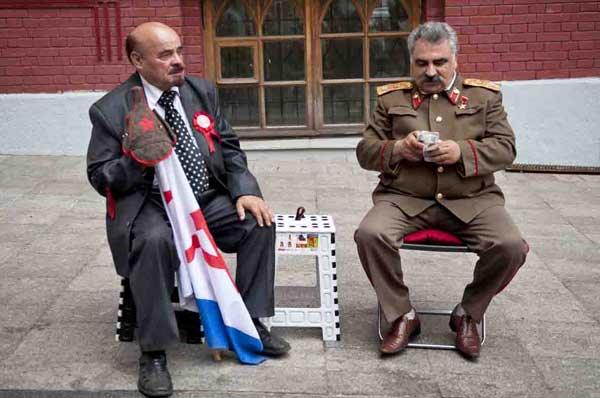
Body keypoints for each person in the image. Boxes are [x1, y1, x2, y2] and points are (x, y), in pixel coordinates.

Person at [86, 22, 290, 397]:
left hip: (205, 198)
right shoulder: (110, 110)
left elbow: (229, 147)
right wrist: (135, 158)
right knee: (152, 242)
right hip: (151, 205)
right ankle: (154, 352)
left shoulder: (201, 91)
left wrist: (246, 190)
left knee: (258, 224)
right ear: (137, 60)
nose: (178, 61)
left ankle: (249, 321)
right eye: (165, 55)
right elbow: (100, 177)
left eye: (179, 51)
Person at [354, 22, 528, 359]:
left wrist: (462, 152)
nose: (431, 71)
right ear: (411, 62)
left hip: (471, 200)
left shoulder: (483, 96)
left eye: (440, 62)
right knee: (369, 234)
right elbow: (365, 150)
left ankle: (468, 314)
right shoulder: (392, 99)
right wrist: (397, 149)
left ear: (455, 61)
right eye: (422, 63)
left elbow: (506, 148)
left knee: (511, 247)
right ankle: (402, 315)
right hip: (404, 198)